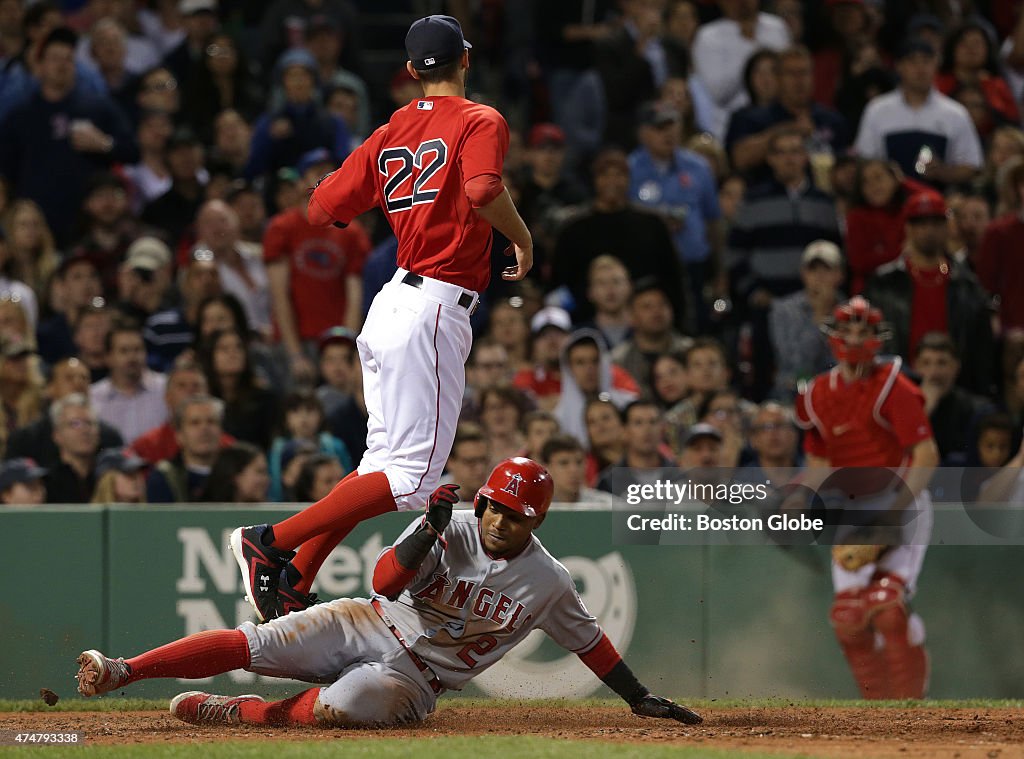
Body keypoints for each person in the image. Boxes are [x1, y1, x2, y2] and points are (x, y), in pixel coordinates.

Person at [224, 15, 534, 623]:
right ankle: (271, 542)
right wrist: (522, 238)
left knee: (378, 469)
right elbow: (481, 190)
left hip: (390, 301)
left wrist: (372, 171)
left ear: (414, 71)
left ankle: (296, 576)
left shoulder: (392, 128)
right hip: (436, 306)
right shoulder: (481, 119)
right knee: (413, 480)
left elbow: (320, 207)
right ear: (465, 60)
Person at [75, 458, 702, 729]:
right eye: (494, 506)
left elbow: (590, 643)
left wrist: (637, 696)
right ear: (480, 500)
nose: (498, 520)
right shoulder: (447, 526)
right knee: (254, 642)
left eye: (515, 514)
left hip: (419, 681)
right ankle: (124, 669)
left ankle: (234, 714)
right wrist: (429, 527)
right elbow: (384, 582)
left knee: (342, 709)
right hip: (369, 622)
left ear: (535, 523)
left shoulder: (549, 582)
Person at [794, 296, 939, 700]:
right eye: (848, 331)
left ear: (878, 337)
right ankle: (875, 712)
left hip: (901, 501)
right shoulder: (817, 393)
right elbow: (819, 460)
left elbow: (927, 457)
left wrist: (888, 516)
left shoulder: (895, 386)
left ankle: (909, 707)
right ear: (833, 337)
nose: (855, 339)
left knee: (887, 608)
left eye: (864, 331)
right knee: (848, 617)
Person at [864, 192, 994, 396]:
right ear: (908, 228)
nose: (929, 230)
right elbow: (873, 343)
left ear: (947, 227)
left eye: (936, 223)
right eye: (920, 224)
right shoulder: (883, 283)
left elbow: (982, 355)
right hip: (896, 389)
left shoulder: (968, 285)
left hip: (956, 394)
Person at [262, 148, 371, 381]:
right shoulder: (282, 227)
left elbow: (354, 295)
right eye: (316, 172)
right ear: (302, 181)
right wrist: (294, 354)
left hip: (334, 341)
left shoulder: (352, 232)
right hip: (297, 340)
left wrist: (345, 347)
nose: (325, 176)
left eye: (329, 171)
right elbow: (280, 295)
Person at [853, 39, 982, 190]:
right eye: (912, 62)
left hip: (938, 202)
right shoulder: (877, 110)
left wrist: (943, 172)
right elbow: (864, 159)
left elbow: (972, 165)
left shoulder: (955, 113)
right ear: (899, 66)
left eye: (926, 61)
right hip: (890, 204)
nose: (920, 69)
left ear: (936, 65)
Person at [768, 240, 843, 400]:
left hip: (837, 393)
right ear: (803, 273)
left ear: (839, 274)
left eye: (826, 269)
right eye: (813, 269)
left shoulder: (850, 311)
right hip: (792, 393)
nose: (819, 276)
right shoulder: (784, 310)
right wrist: (820, 317)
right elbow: (796, 364)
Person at [845, 160, 931, 294]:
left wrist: (903, 181)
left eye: (878, 178)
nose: (873, 186)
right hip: (871, 290)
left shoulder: (906, 210)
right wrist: (900, 254)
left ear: (894, 180)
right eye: (865, 182)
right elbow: (859, 262)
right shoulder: (857, 216)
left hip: (907, 286)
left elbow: (932, 199)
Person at [912, 332, 994, 467]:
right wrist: (924, 410)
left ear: (956, 367)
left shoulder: (976, 410)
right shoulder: (900, 407)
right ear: (915, 367)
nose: (934, 373)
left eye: (942, 363)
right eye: (926, 363)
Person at [89, 321, 168, 446]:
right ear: (108, 357)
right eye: (124, 351)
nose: (132, 357)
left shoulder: (166, 388)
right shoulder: (92, 397)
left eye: (137, 350)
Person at [146, 394, 225, 503]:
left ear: (221, 431)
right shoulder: (163, 477)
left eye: (211, 421)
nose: (204, 429)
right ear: (179, 435)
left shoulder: (239, 473)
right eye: (195, 423)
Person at [44, 393, 101, 503]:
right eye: (75, 424)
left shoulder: (106, 478)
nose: (85, 430)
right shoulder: (47, 483)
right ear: (57, 435)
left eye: (90, 423)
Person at [540, 434, 607, 506]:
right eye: (564, 463)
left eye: (579, 462)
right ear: (546, 469)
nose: (574, 470)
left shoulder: (605, 506)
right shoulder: (534, 509)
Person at [200, 442, 270, 503]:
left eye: (265, 473)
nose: (267, 480)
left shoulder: (274, 516)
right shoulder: (200, 514)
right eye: (260, 472)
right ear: (236, 476)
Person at [441, 422, 491, 505]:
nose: (480, 469)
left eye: (483, 460)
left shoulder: (499, 496)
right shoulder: (432, 501)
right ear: (450, 463)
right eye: (470, 462)